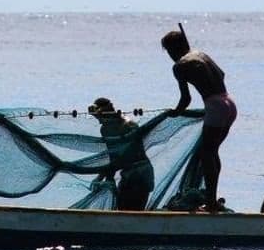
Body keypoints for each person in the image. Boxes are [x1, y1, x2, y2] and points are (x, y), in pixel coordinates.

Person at [162, 27, 236, 213]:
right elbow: (222, 74)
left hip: (215, 105)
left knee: (206, 153)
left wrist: (175, 112)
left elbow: (185, 99)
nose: (170, 56)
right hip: (229, 102)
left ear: (174, 49)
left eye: (169, 51)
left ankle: (211, 203)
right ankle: (212, 199)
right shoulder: (201, 54)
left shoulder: (179, 66)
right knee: (211, 152)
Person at [88, 97, 155, 210]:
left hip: (138, 173)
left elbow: (115, 158)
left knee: (130, 210)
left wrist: (103, 177)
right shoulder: (123, 124)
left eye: (98, 117)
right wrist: (105, 177)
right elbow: (114, 156)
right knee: (129, 210)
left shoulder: (118, 127)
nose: (98, 121)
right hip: (137, 172)